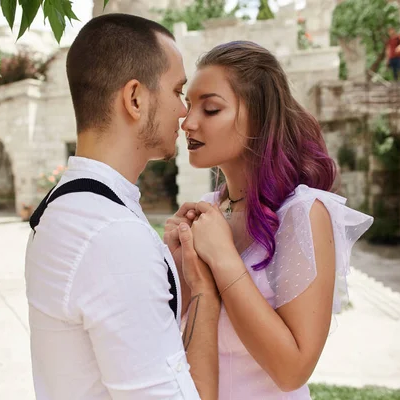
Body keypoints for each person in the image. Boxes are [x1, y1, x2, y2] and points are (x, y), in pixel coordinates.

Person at [24, 14, 221, 400]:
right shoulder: (111, 235)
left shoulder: (64, 206)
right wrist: (204, 292)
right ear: (135, 99)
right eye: (177, 91)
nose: (184, 111)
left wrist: (171, 273)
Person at [165, 41, 373, 399]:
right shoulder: (205, 210)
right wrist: (176, 273)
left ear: (258, 116)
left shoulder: (303, 213)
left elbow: (292, 370)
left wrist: (224, 258)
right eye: (189, 105)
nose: (189, 122)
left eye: (211, 109)